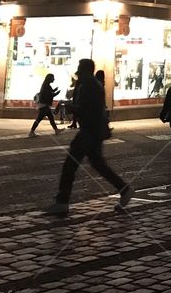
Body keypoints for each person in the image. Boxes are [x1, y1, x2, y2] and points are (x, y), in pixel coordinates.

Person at [45, 59, 133, 216]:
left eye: (80, 67)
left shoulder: (89, 85)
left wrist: (73, 108)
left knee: (70, 165)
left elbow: (88, 110)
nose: (78, 70)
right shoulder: (91, 84)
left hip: (89, 131)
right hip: (92, 131)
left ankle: (62, 202)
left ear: (85, 69)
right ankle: (124, 189)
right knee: (98, 164)